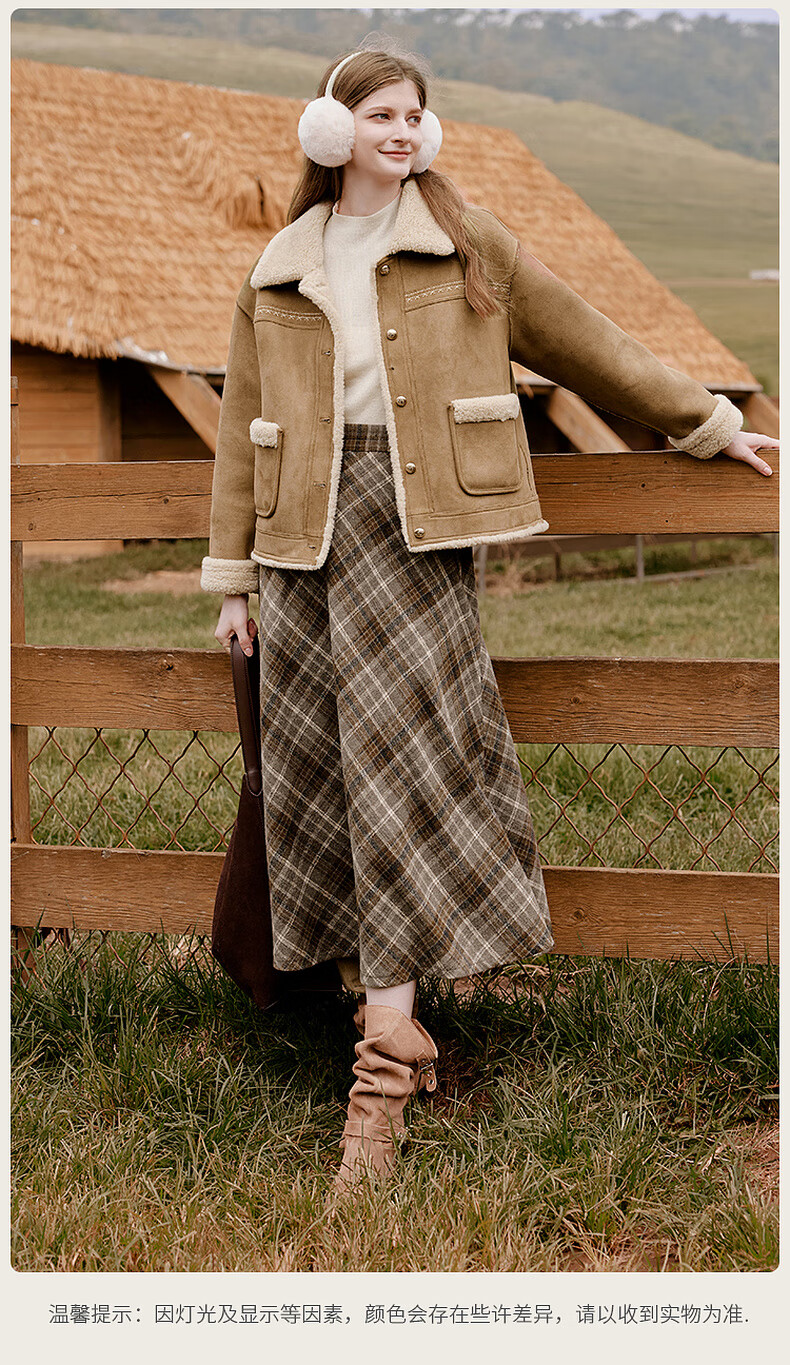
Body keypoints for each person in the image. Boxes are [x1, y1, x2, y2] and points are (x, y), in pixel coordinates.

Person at [201, 47, 778, 1192]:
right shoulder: (279, 266)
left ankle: (381, 1071)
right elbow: (242, 428)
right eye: (379, 113)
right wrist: (232, 579)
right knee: (328, 782)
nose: (401, 131)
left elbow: (586, 340)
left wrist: (705, 424)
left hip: (416, 539)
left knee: (400, 778)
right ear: (332, 131)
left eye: (414, 114)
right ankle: (384, 1024)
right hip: (300, 551)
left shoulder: (466, 243)